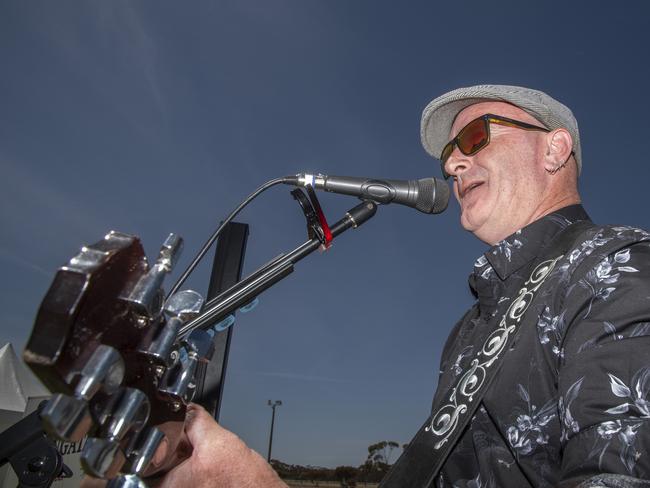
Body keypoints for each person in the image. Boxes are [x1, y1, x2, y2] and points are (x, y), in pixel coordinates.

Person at [153, 85, 650, 487]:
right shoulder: (469, 329)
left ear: (554, 148)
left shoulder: (618, 266)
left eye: (475, 137)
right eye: (449, 154)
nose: (454, 164)